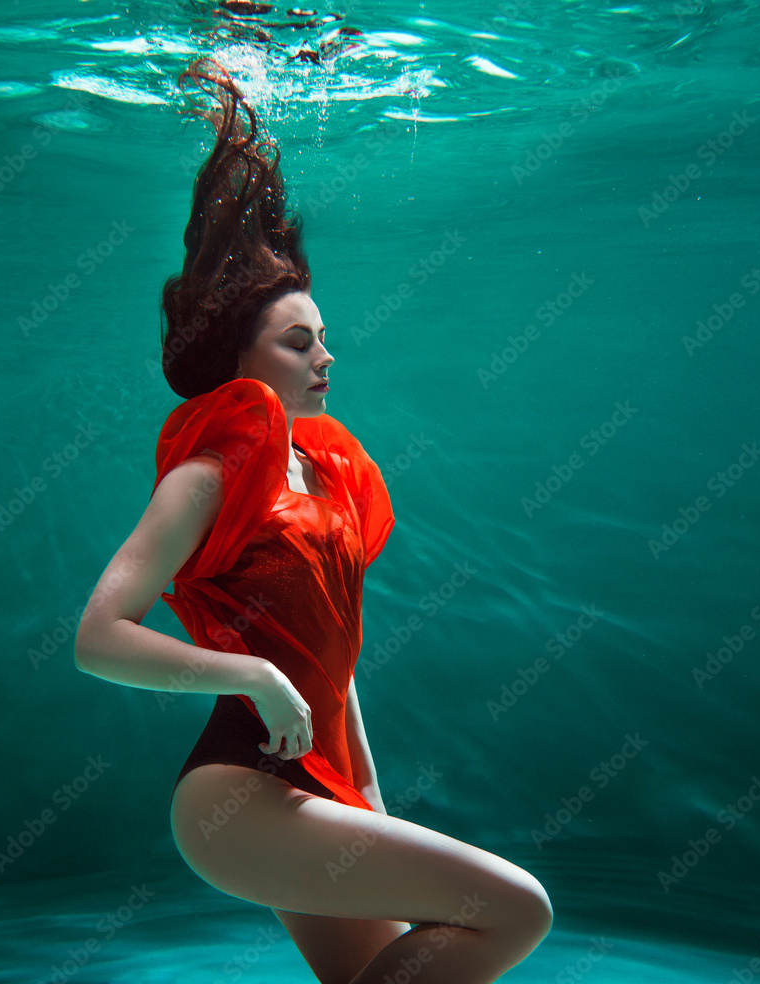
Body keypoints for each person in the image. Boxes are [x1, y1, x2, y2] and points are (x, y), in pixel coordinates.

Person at [74, 57, 552, 984]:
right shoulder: (211, 475)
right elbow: (99, 639)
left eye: (324, 336)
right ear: (243, 359)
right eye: (301, 342)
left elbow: (335, 666)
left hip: (316, 790)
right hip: (237, 798)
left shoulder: (322, 474)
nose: (327, 357)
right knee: (516, 908)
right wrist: (252, 675)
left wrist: (367, 800)